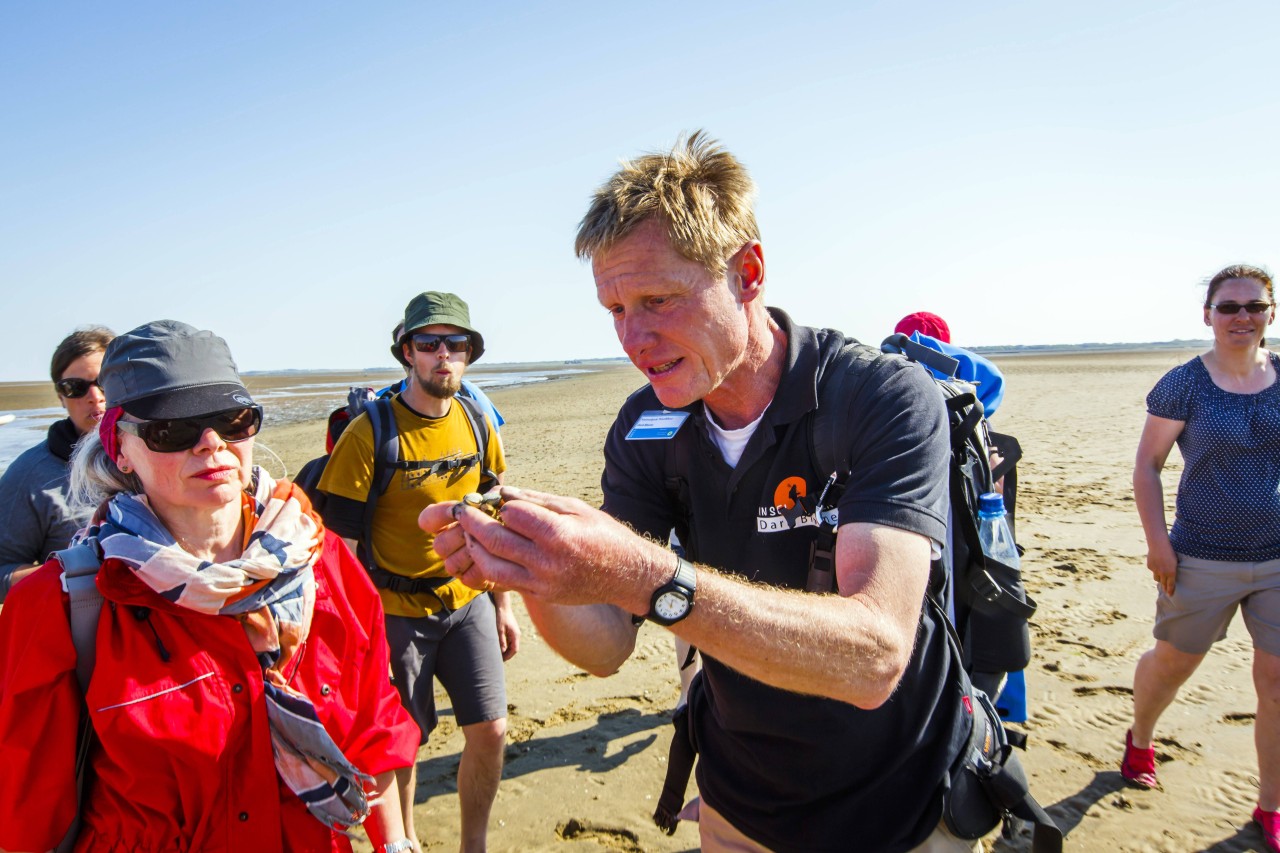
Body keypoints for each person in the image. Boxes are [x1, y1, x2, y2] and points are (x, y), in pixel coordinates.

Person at [424, 133, 971, 852]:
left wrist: (644, 575)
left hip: (902, 806)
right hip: (740, 805)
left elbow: (873, 656)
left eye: (658, 298)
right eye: (614, 308)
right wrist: (530, 567)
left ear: (747, 272)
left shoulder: (878, 396)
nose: (634, 337)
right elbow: (607, 645)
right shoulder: (647, 426)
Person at [0, 320, 418, 853]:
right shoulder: (62, 604)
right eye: (172, 430)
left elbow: (374, 730)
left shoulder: (322, 561)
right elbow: (30, 813)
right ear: (121, 450)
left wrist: (399, 843)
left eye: (233, 420)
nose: (212, 443)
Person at [319, 292, 517, 853]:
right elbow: (339, 549)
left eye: (456, 345)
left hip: (466, 602)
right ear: (408, 352)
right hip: (391, 614)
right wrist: (350, 639)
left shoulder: (479, 421)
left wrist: (503, 606)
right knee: (399, 744)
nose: (443, 356)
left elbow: (492, 518)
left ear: (469, 354)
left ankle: (471, 845)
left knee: (492, 730)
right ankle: (402, 841)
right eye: (429, 344)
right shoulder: (369, 435)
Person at [1124, 264, 1280, 851]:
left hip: (1278, 555)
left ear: (1271, 313)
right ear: (1208, 315)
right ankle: (1141, 737)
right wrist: (1157, 542)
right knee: (1172, 663)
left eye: (1255, 306)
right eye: (1229, 307)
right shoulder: (1183, 384)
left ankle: (1271, 806)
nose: (1243, 317)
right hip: (1199, 556)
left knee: (1277, 680)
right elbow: (1147, 466)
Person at [0, 326, 114, 603]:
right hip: (85, 638)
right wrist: (77, 570)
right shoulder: (29, 475)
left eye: (105, 381)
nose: (95, 396)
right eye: (75, 387)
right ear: (60, 397)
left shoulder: (164, 453)